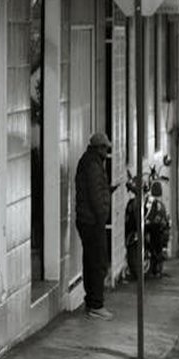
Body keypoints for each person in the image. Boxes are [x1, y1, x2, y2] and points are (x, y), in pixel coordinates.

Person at [75, 132, 113, 320]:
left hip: (87, 219)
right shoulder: (93, 165)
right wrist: (102, 215)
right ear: (99, 148)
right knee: (98, 262)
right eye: (105, 148)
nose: (107, 151)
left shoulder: (90, 162)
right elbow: (95, 195)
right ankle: (96, 304)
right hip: (92, 221)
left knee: (91, 261)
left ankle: (92, 301)